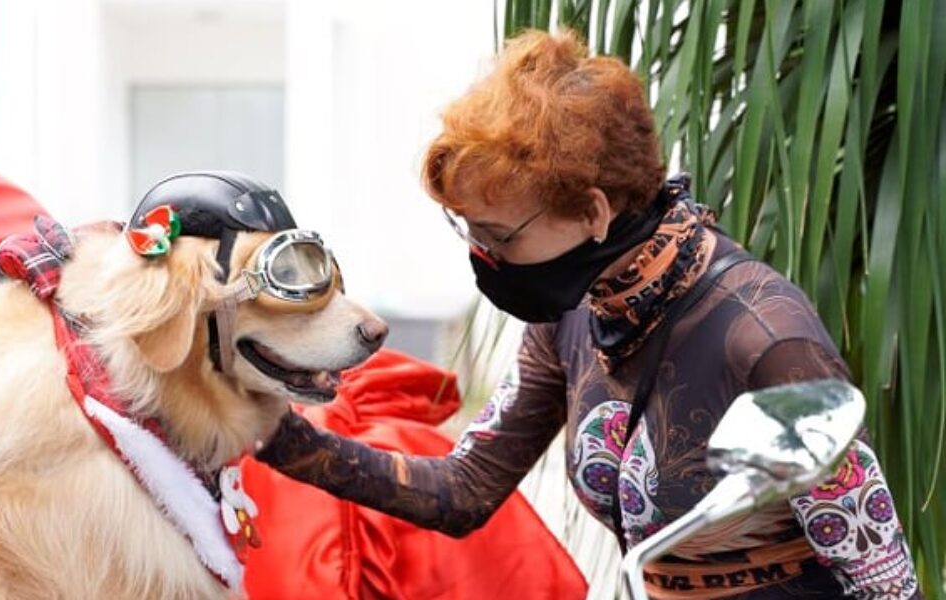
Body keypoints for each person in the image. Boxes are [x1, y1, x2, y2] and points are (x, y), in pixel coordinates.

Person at [256, 30, 922, 599]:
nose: (485, 257)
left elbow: (883, 581)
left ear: (595, 213)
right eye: (469, 233)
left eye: (500, 236)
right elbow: (463, 489)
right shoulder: (571, 314)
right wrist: (269, 434)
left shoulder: (764, 336)